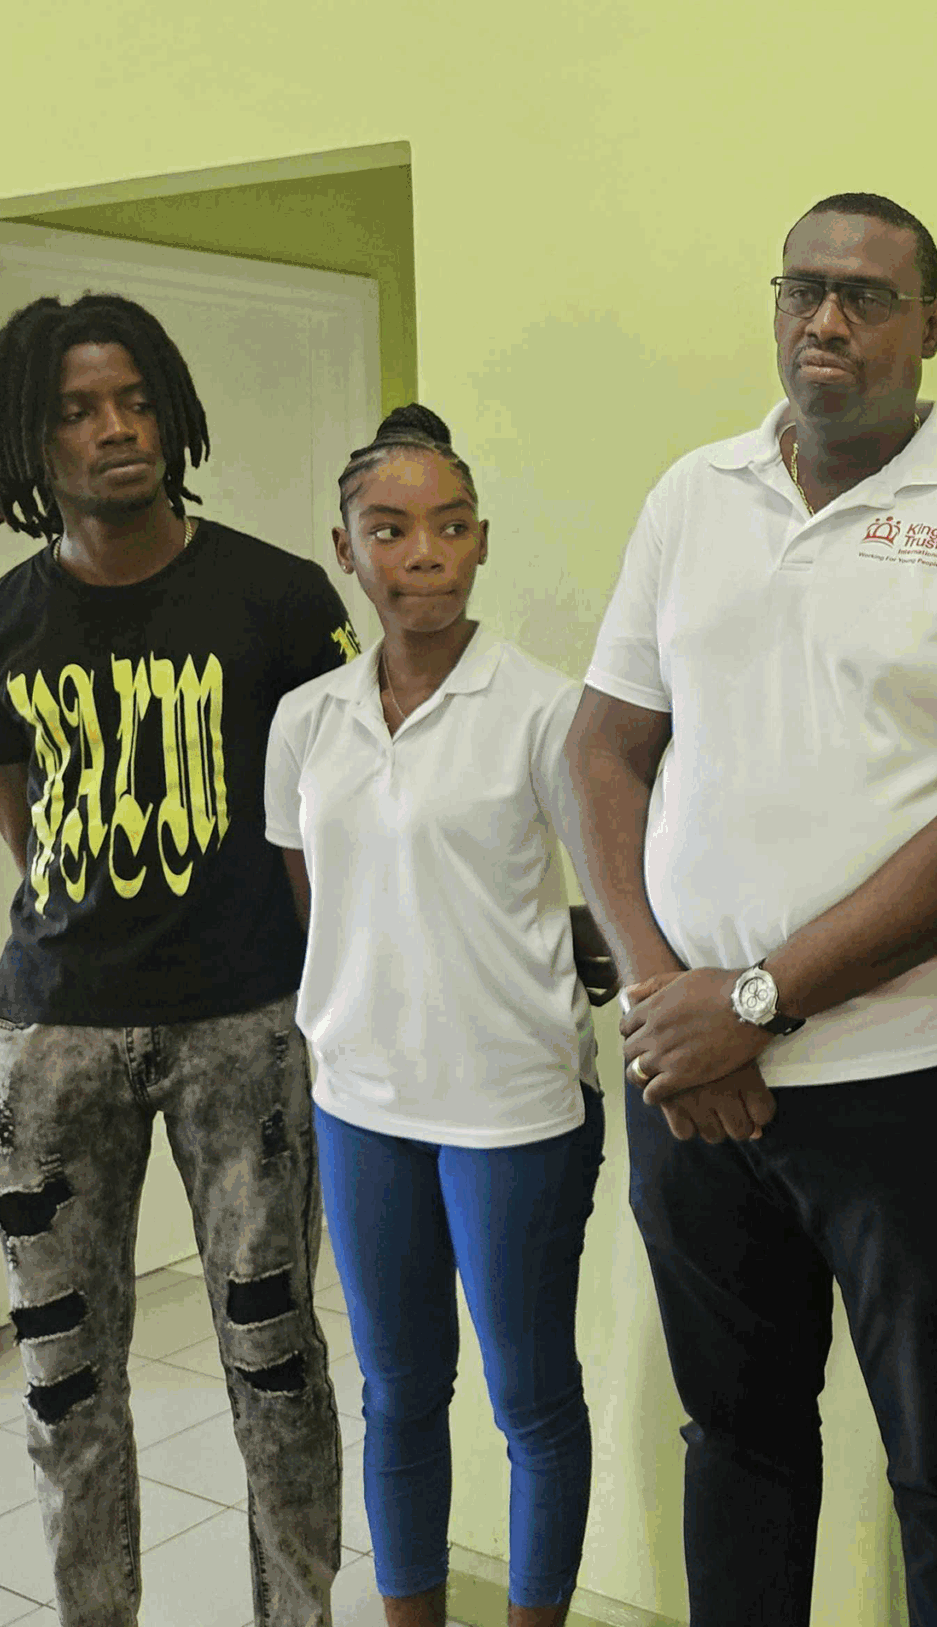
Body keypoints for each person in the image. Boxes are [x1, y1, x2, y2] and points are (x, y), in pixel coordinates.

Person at [567, 192, 937, 1626]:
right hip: (690, 1085)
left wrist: (756, 1001)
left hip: (912, 1085)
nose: (825, 319)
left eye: (865, 295)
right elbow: (602, 751)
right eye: (801, 288)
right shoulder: (694, 493)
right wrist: (666, 1001)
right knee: (733, 1437)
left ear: (931, 326)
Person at [0, 293, 350, 1626]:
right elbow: (29, 833)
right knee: (65, 1380)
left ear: (169, 414)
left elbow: (325, 816)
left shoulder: (279, 598)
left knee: (276, 1361)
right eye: (76, 411)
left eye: (134, 400)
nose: (115, 430)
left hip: (247, 1024)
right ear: (28, 442)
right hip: (53, 1039)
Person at [266, 405, 619, 1627]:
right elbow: (317, 902)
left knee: (531, 1400)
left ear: (481, 542)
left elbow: (612, 893)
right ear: (344, 550)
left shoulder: (545, 711)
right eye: (390, 530)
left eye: (451, 527)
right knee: (399, 1394)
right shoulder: (307, 720)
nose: (425, 553)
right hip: (361, 1098)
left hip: (511, 1105)